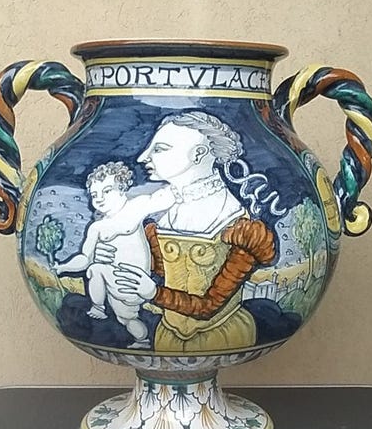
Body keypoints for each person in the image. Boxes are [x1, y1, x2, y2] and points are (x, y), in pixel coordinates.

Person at [94, 112, 278, 353]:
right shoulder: (161, 218)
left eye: (159, 148)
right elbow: (154, 272)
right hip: (166, 335)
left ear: (198, 154)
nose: (143, 157)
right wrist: (116, 255)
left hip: (221, 336)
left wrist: (154, 293)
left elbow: (209, 307)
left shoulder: (237, 225)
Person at [55, 161, 176, 349]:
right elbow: (84, 258)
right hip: (115, 284)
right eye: (94, 195)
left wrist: (177, 186)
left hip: (136, 280)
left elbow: (162, 199)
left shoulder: (135, 207)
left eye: (107, 191)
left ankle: (98, 307)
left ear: (122, 189)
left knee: (96, 269)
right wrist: (64, 267)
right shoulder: (97, 228)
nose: (100, 198)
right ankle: (142, 341)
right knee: (127, 319)